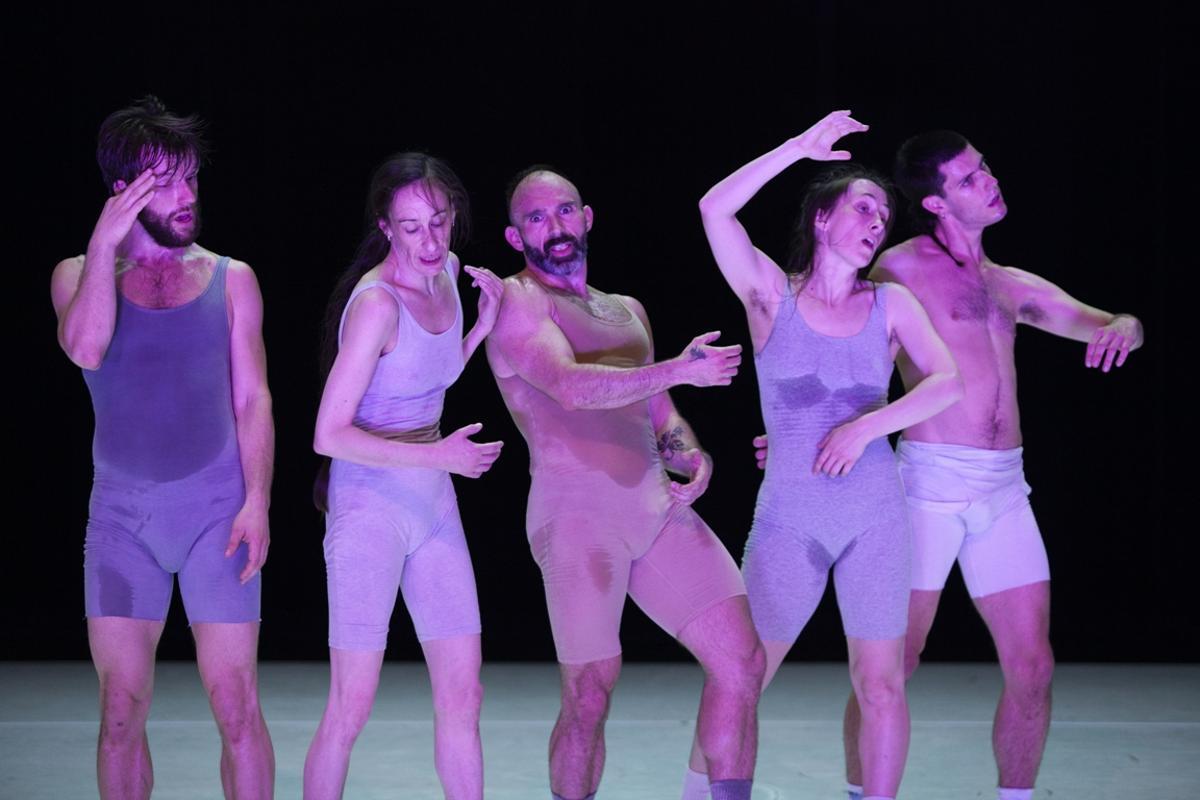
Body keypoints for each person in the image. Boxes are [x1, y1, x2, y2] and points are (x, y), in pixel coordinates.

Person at [830, 128, 1146, 800]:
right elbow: (850, 361)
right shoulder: (901, 268)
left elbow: (1102, 320)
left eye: (986, 167)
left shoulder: (1007, 284)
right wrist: (816, 437)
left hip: (1004, 490)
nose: (990, 180)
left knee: (1033, 666)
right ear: (939, 204)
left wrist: (1125, 324)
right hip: (926, 487)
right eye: (970, 177)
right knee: (893, 664)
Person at [682, 110, 962, 800]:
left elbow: (947, 381)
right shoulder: (770, 295)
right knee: (740, 674)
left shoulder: (890, 303)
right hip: (790, 518)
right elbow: (714, 208)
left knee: (882, 680)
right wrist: (798, 149)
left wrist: (869, 427)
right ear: (820, 219)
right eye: (864, 207)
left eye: (885, 215)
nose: (877, 222)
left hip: (874, 515)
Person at [485, 167, 765, 800]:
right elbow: (571, 386)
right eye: (534, 217)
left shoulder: (628, 310)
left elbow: (658, 408)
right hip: (577, 517)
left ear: (587, 218)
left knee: (742, 664)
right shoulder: (517, 300)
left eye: (563, 211)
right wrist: (681, 369)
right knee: (589, 691)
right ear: (513, 235)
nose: (552, 226)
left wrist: (690, 455)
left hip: (656, 508)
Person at [50, 96, 275, 800]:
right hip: (122, 523)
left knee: (236, 704)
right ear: (124, 191)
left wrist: (260, 502)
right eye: (168, 182)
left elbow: (253, 399)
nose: (187, 197)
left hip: (218, 513)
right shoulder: (76, 275)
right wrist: (103, 242)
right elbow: (85, 347)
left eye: (192, 179)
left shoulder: (233, 278)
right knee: (120, 713)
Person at [303, 153, 504, 800]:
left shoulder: (446, 272)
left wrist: (482, 330)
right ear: (386, 227)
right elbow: (327, 434)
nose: (431, 240)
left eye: (440, 221)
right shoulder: (376, 308)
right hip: (368, 504)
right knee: (350, 706)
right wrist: (439, 457)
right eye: (412, 227)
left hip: (430, 499)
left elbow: (426, 376)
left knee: (463, 690)